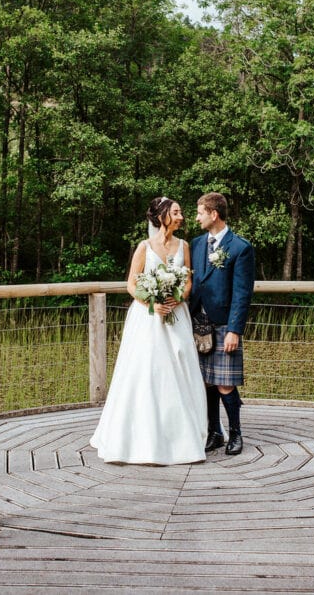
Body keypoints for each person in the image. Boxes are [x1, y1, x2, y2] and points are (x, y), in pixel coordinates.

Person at [89, 197, 208, 464]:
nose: (181, 217)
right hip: (148, 319)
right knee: (146, 372)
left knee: (179, 369)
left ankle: (183, 436)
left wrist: (177, 298)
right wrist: (152, 302)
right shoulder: (144, 247)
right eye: (176, 212)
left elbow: (188, 281)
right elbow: (131, 284)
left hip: (177, 315)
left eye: (181, 212)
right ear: (162, 215)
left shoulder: (184, 246)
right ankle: (139, 436)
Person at [189, 192, 255, 455]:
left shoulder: (240, 248)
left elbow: (242, 293)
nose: (196, 217)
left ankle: (236, 434)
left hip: (223, 324)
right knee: (206, 381)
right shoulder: (194, 244)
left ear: (214, 214)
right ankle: (215, 431)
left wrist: (234, 330)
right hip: (197, 323)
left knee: (225, 383)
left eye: (200, 212)